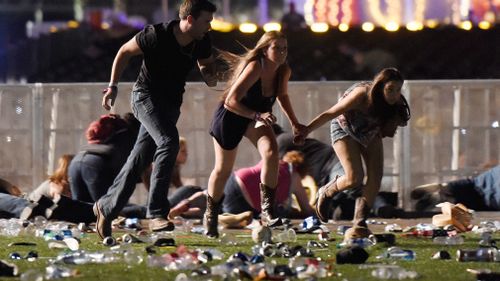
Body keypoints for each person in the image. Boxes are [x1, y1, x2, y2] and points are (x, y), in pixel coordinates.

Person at [94, 0, 218, 239]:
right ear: (190, 19)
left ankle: (105, 207)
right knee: (169, 142)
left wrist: (215, 72)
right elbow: (123, 52)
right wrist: (112, 86)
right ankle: (157, 213)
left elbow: (208, 72)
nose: (209, 27)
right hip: (145, 97)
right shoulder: (155, 35)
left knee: (138, 160)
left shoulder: (202, 40)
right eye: (206, 21)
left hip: (171, 104)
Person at [205, 31, 304, 238]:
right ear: (265, 49)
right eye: (276, 48)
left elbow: (283, 95)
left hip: (255, 118)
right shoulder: (255, 66)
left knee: (270, 152)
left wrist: (295, 122)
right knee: (223, 169)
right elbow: (231, 101)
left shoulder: (283, 71)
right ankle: (211, 215)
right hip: (232, 116)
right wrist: (257, 115)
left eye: (285, 48)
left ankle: (267, 211)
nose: (282, 52)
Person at [298, 68, 410, 240]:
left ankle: (360, 220)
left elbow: (390, 127)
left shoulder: (396, 104)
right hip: (344, 128)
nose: (394, 95)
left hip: (369, 131)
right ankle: (326, 191)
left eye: (398, 90)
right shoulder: (361, 94)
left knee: (376, 176)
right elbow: (330, 113)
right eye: (390, 89)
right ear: (380, 87)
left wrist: (391, 123)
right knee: (354, 177)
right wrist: (305, 131)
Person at [0, 155, 96, 223]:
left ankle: (98, 211)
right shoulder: (57, 184)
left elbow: (9, 188)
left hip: (28, 202)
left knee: (63, 209)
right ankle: (98, 210)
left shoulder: (58, 182)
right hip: (28, 203)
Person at [222, 150, 314, 219]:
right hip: (246, 198)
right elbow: (306, 209)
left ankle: (225, 216)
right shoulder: (294, 175)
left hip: (232, 181)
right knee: (278, 213)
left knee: (230, 212)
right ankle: (233, 218)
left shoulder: (275, 162)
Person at [411, 164, 500, 212]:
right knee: (466, 202)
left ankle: (442, 188)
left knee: (472, 185)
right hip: (489, 200)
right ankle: (442, 197)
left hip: (481, 184)